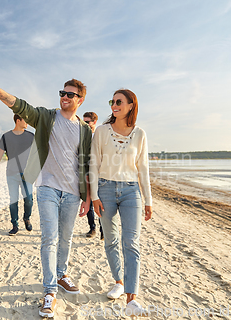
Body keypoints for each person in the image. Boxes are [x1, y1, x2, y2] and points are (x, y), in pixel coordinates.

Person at [0, 75, 92, 319]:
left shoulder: (84, 130)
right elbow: (19, 105)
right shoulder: (47, 117)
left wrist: (88, 196)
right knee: (49, 239)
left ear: (80, 100)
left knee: (66, 239)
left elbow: (87, 163)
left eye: (70, 94)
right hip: (47, 187)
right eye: (63, 92)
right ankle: (50, 291)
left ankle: (61, 275)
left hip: (72, 193)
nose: (64, 97)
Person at [89, 89, 153, 317]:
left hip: (130, 191)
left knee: (131, 243)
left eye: (119, 102)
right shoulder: (102, 132)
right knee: (111, 240)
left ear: (131, 106)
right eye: (112, 102)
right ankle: (118, 281)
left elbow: (143, 169)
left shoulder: (140, 134)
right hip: (105, 190)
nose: (114, 105)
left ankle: (131, 299)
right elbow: (94, 164)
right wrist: (94, 195)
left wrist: (148, 200)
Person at [0, 114, 34, 236]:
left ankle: (26, 218)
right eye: (25, 120)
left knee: (28, 200)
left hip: (27, 174)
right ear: (18, 121)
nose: (27, 123)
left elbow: (37, 153)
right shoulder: (6, 137)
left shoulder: (31, 136)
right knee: (13, 200)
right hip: (11, 173)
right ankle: (15, 225)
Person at [82, 112, 103, 240]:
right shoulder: (82, 137)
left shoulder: (100, 137)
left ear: (94, 122)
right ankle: (92, 227)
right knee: (87, 202)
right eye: (83, 122)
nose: (85, 125)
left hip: (100, 175)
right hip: (85, 174)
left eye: (87, 122)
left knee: (101, 202)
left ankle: (103, 229)